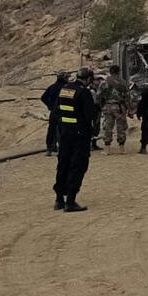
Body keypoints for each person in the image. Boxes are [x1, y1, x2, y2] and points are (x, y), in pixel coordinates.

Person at [53, 68, 98, 212]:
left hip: (64, 132)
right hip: (79, 135)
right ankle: (70, 201)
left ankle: (59, 199)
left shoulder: (65, 89)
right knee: (77, 165)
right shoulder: (84, 92)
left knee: (63, 163)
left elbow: (56, 110)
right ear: (89, 79)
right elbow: (90, 115)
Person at [97, 65, 132, 155]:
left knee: (108, 127)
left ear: (110, 71)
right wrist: (129, 109)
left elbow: (99, 96)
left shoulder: (104, 82)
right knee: (121, 127)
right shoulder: (123, 82)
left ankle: (107, 149)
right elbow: (127, 97)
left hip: (108, 106)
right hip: (120, 107)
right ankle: (122, 149)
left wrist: (101, 106)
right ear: (119, 71)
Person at [40, 71, 69, 156]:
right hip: (64, 112)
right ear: (64, 78)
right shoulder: (66, 88)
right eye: (67, 78)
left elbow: (43, 97)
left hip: (53, 112)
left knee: (51, 130)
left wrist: (50, 106)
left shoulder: (52, 87)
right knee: (63, 130)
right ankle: (61, 149)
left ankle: (49, 149)